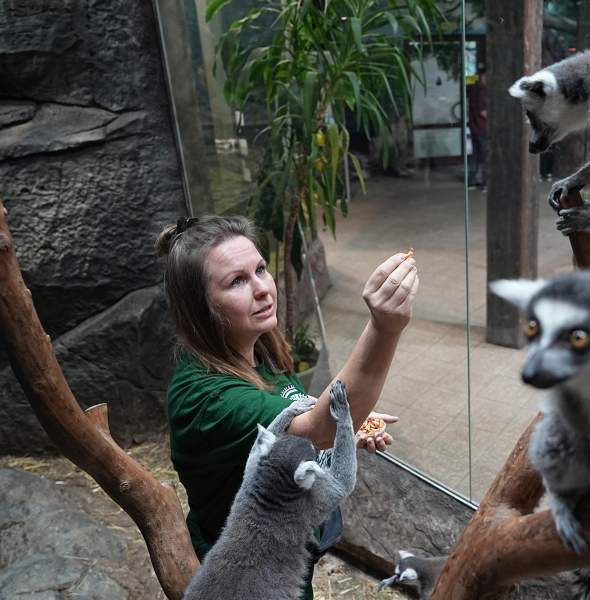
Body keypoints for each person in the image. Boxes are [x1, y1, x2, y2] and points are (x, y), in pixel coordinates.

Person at [156, 215, 418, 598]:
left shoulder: (258, 354)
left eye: (260, 269)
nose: (263, 288)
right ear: (200, 306)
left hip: (284, 564)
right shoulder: (206, 397)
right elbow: (318, 428)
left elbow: (304, 430)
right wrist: (384, 328)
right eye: (237, 281)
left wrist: (351, 427)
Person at [466, 67, 488, 189]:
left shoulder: (472, 88)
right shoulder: (482, 90)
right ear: (483, 76)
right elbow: (483, 112)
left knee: (475, 155)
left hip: (474, 128)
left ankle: (471, 181)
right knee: (486, 156)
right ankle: (485, 183)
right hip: (483, 128)